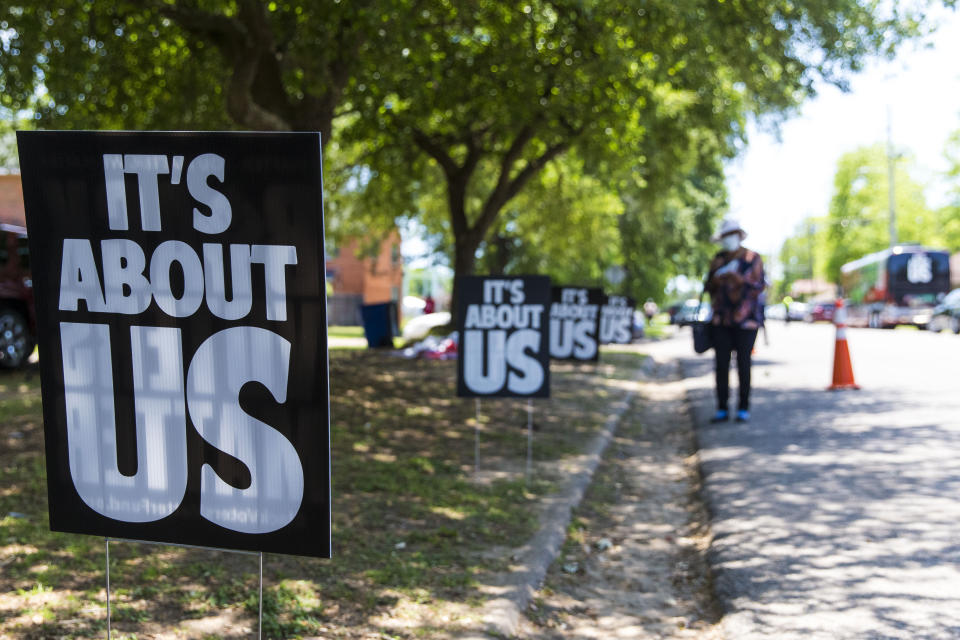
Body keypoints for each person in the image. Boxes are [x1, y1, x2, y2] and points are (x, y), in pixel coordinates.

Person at [704, 218, 766, 423]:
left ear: (739, 235)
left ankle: (743, 407)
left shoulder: (752, 258)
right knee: (721, 364)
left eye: (731, 235)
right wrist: (717, 279)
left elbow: (759, 287)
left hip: (746, 322)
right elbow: (708, 286)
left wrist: (739, 281)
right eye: (725, 236)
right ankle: (722, 407)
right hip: (721, 320)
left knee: (743, 363)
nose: (728, 239)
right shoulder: (718, 259)